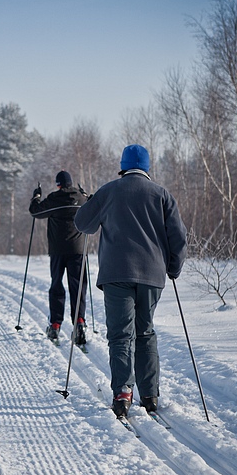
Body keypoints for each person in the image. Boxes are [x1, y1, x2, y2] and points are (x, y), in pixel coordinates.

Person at [74, 145, 187, 418]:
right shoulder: (162, 195)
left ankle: (123, 392)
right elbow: (179, 237)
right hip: (152, 275)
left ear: (122, 166)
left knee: (121, 334)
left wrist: (92, 204)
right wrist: (172, 267)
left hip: (116, 273)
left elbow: (82, 224)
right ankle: (150, 395)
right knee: (145, 331)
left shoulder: (108, 191)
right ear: (147, 168)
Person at [29, 170, 89, 348]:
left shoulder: (54, 198)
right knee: (78, 287)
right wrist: (85, 194)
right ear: (71, 183)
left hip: (57, 251)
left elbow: (35, 212)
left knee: (56, 286)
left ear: (58, 184)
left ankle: (55, 326)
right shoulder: (80, 199)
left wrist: (36, 196)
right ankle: (79, 324)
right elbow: (94, 204)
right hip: (78, 251)